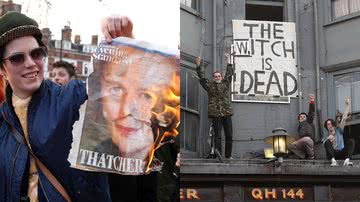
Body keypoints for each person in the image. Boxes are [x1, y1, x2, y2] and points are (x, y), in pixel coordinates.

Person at [0, 11, 133, 202]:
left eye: (36, 54)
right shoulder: (2, 122)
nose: (30, 63)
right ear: (2, 69)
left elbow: (126, 101)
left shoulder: (73, 98)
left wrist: (126, 48)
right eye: (17, 58)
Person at [195, 55, 234, 159]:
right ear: (213, 78)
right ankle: (219, 155)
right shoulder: (210, 86)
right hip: (216, 113)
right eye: (215, 76)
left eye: (219, 76)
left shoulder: (225, 84)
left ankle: (228, 156)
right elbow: (202, 78)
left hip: (226, 112)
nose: (217, 77)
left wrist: (229, 61)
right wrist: (198, 65)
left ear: (221, 77)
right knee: (217, 136)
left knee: (229, 135)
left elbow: (229, 74)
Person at [323, 97, 355, 166]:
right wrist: (328, 139)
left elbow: (344, 119)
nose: (330, 125)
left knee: (351, 141)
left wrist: (347, 106)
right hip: (333, 154)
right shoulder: (325, 135)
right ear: (326, 126)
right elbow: (325, 144)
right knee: (327, 142)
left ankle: (347, 160)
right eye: (328, 124)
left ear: (333, 125)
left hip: (341, 152)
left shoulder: (339, 130)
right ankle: (333, 161)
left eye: (331, 124)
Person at [288, 94, 315, 159]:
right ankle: (303, 155)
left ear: (307, 118)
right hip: (302, 144)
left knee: (306, 139)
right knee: (289, 146)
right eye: (301, 117)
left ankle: (311, 156)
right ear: (299, 119)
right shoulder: (299, 128)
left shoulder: (309, 121)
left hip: (309, 141)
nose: (302, 118)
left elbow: (311, 112)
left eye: (304, 117)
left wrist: (312, 101)